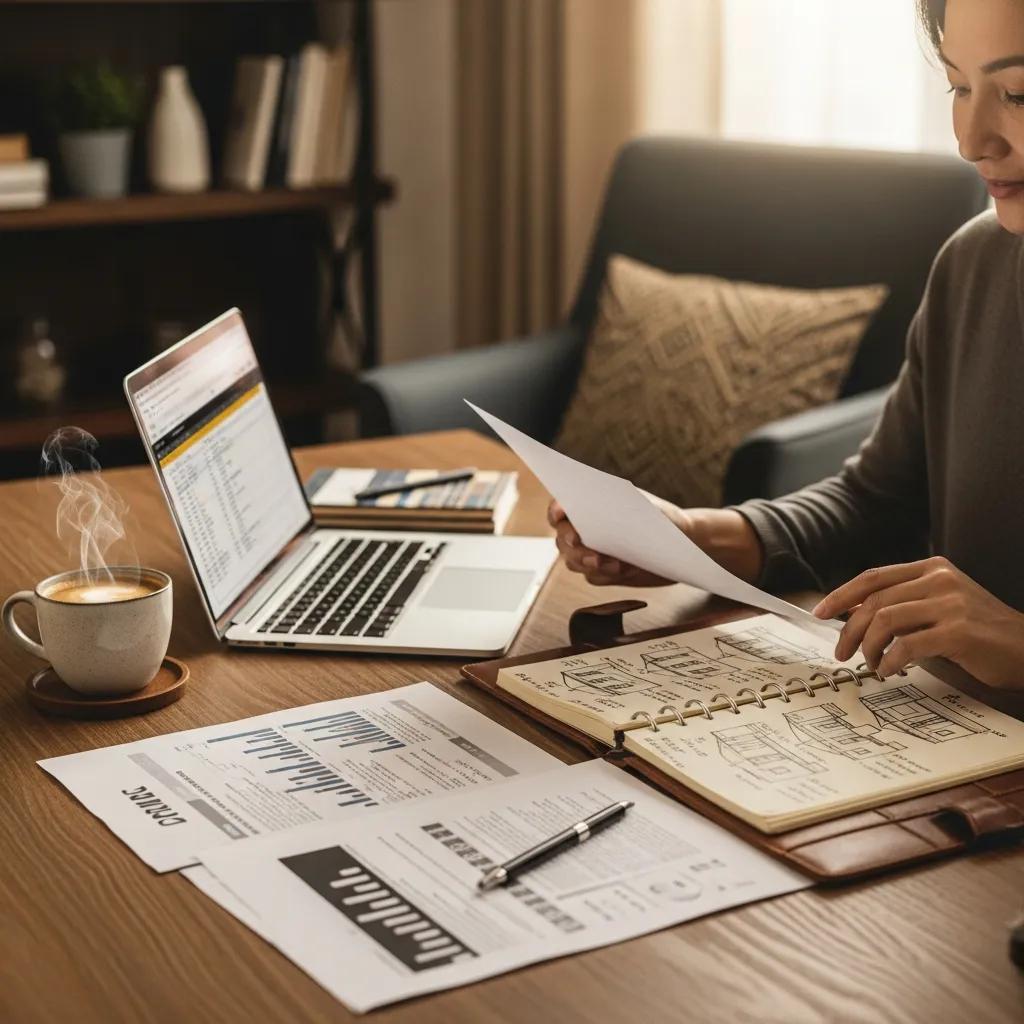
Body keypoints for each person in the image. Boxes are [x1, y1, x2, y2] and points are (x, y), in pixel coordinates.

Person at [550, 0, 1024, 690]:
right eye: (957, 86)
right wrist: (697, 538)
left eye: (1017, 93)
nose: (972, 139)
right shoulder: (975, 266)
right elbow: (875, 506)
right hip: (951, 741)